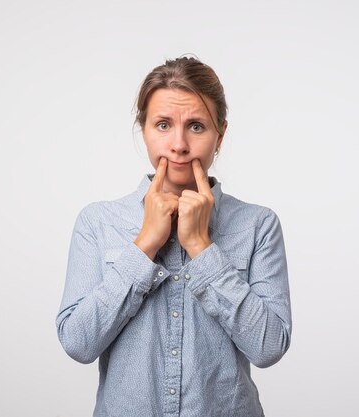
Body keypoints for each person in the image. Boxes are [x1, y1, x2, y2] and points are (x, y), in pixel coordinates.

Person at [56, 56, 292, 417]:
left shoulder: (258, 224)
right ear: (144, 130)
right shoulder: (98, 222)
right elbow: (78, 343)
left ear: (220, 135)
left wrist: (201, 247)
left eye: (196, 126)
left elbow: (269, 347)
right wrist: (144, 244)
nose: (178, 144)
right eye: (163, 125)